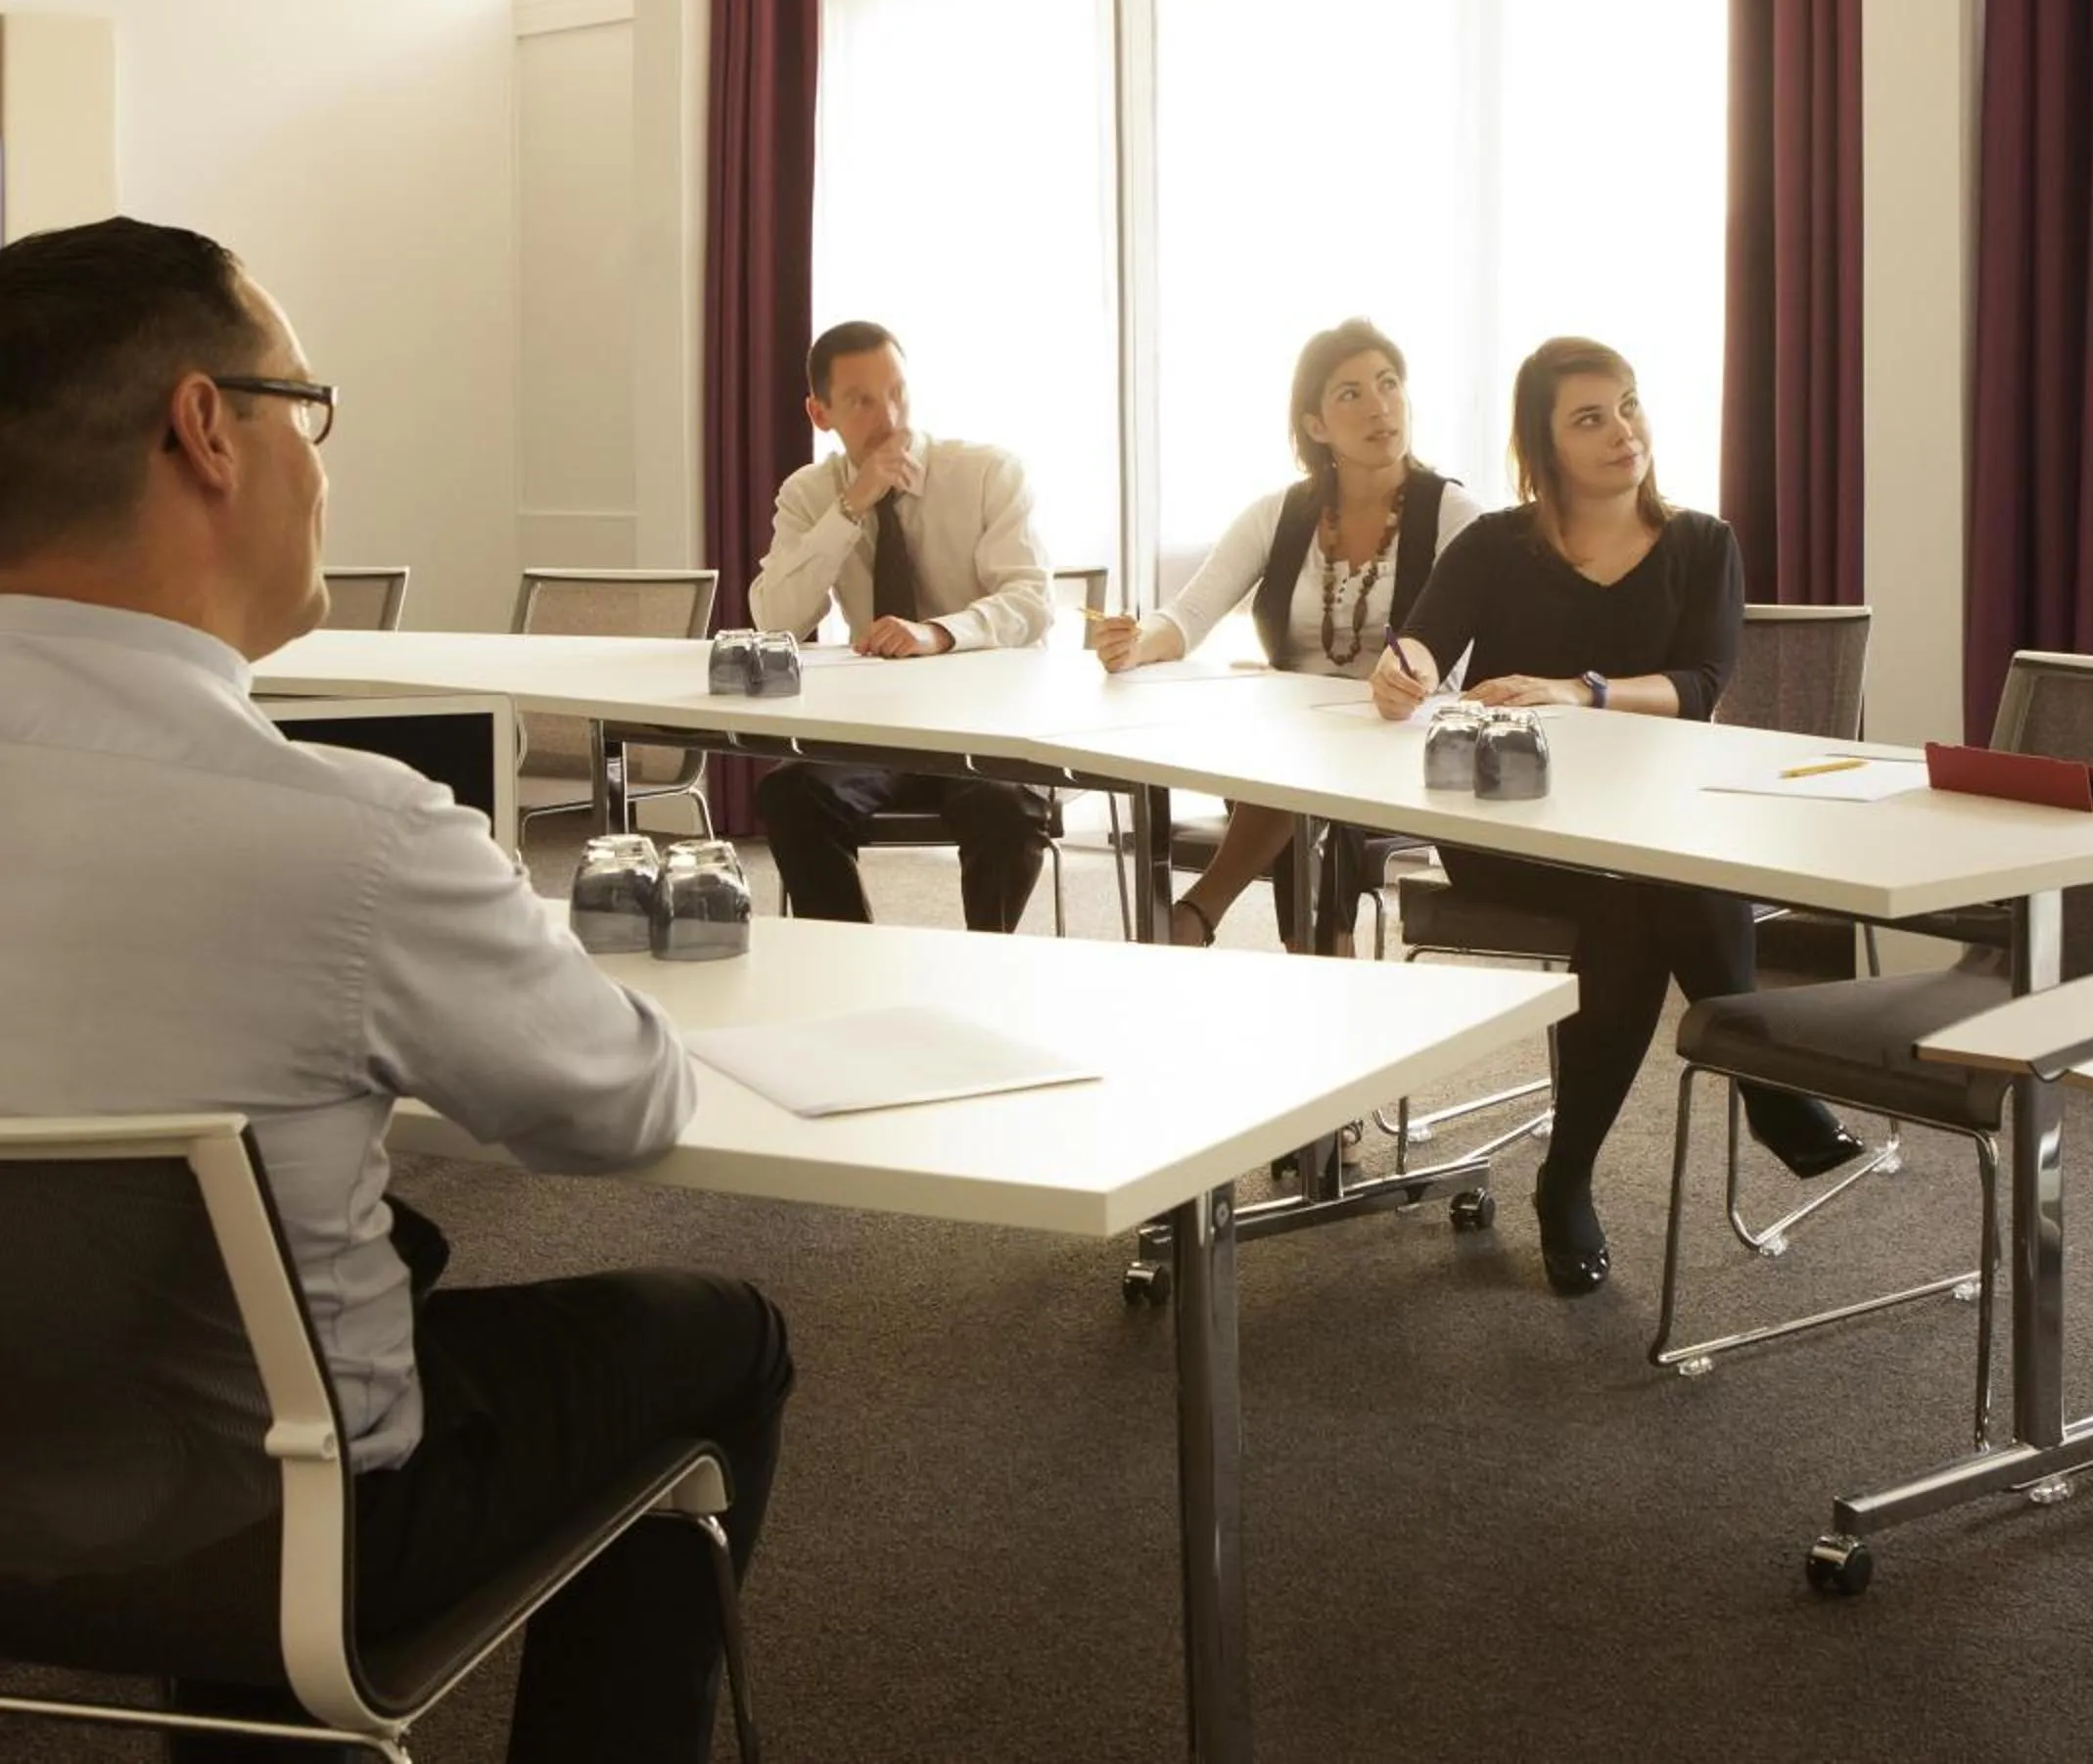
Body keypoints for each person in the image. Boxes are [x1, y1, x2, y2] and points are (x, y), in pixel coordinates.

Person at [0, 217, 791, 1762]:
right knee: (717, 1332)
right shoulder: (349, 836)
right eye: (309, 405)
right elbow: (620, 1104)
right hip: (269, 1544)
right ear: (206, 429)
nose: (323, 456)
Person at [1370, 336, 1859, 1294]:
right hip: (1513, 825)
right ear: (1544, 446)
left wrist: (1578, 691)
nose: (1622, 430)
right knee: (1655, 881)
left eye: (1628, 406)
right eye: (1590, 417)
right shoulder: (1496, 546)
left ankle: (1569, 1178)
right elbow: (1423, 642)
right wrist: (1409, 671)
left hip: (1648, 824)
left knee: (1639, 892)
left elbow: (1701, 681)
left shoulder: (1703, 545)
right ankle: (1763, 1078)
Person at [1094, 318, 1476, 950]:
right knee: (1299, 773)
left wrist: (1406, 683)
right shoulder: (1280, 513)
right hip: (1285, 756)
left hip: (1405, 741)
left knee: (1302, 780)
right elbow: (1187, 617)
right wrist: (1134, 642)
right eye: (1350, 393)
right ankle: (1315, 968)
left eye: (1388, 384)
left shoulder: (1456, 515)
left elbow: (1453, 663)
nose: (1380, 406)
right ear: (1315, 425)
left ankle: (1199, 915)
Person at [749, 320, 1057, 932]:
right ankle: (851, 965)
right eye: (862, 401)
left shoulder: (987, 473)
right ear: (820, 413)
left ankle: (984, 969)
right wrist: (849, 508)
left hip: (984, 726)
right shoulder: (809, 494)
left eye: (897, 392)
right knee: (790, 795)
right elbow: (774, 618)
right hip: (877, 730)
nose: (889, 416)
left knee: (1006, 808)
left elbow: (1031, 602)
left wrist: (938, 633)